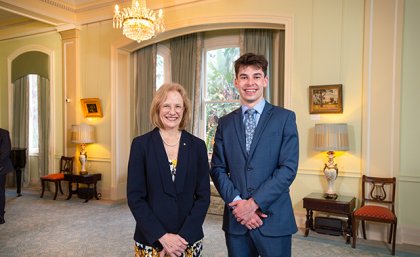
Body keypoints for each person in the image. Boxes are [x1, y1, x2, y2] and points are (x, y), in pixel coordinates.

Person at [210, 53, 299, 257]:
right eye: (244, 77)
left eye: (256, 76)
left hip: (274, 218)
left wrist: (253, 204)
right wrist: (239, 205)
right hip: (237, 219)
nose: (250, 83)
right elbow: (217, 169)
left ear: (265, 81)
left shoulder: (285, 118)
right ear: (236, 82)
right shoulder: (225, 123)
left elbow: (288, 169)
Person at [127, 83, 210, 257]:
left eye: (178, 106)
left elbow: (203, 197)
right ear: (157, 109)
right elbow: (135, 198)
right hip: (151, 239)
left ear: (184, 110)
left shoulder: (198, 146)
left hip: (187, 240)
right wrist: (162, 237)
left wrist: (181, 239)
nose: (172, 112)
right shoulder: (141, 145)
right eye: (166, 106)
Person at [0, 128, 14, 224]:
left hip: (1, 167)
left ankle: (0, 215)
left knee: (0, 192)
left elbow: (5, 153)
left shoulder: (4, 133)